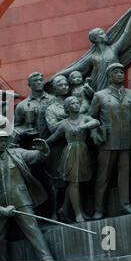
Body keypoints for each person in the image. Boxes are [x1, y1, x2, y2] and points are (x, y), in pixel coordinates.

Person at [46, 0, 131, 91]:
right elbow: (76, 68)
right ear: (95, 39)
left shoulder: (113, 49)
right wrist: (56, 76)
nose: (105, 34)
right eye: (101, 33)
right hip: (99, 87)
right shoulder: (92, 57)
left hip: (114, 84)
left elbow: (126, 33)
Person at [88, 62, 131, 219]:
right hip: (107, 141)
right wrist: (94, 134)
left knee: (125, 175)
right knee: (103, 177)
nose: (121, 74)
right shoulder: (100, 96)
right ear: (110, 75)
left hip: (128, 140)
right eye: (117, 72)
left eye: (122, 72)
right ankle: (99, 209)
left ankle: (126, 204)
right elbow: (90, 118)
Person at [0, 130, 53, 261]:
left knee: (32, 230)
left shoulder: (16, 153)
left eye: (5, 140)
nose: (3, 143)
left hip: (21, 199)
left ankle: (46, 258)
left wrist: (43, 150)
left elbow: (36, 157)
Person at [46, 96, 100, 222]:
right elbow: (54, 137)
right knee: (74, 183)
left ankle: (64, 209)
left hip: (83, 151)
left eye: (77, 102)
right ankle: (78, 214)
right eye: (73, 103)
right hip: (71, 152)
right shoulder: (65, 123)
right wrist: (42, 144)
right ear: (68, 107)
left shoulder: (84, 118)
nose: (76, 105)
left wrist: (83, 127)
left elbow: (95, 122)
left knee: (78, 182)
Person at [44, 75, 70, 220]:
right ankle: (54, 212)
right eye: (61, 85)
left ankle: (65, 210)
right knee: (55, 182)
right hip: (57, 147)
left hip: (72, 144)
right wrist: (71, 120)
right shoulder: (52, 108)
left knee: (72, 180)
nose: (65, 87)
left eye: (66, 84)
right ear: (55, 89)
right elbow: (52, 127)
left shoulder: (74, 101)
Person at [14, 72, 55, 140]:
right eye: (35, 80)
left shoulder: (53, 100)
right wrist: (23, 132)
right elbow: (16, 126)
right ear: (29, 84)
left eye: (41, 80)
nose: (39, 82)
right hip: (32, 143)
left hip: (52, 141)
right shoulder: (22, 105)